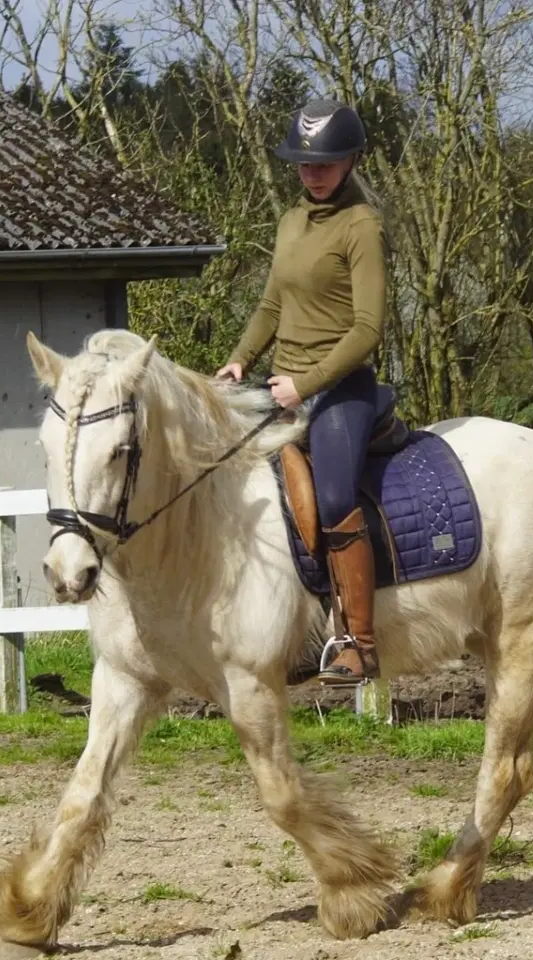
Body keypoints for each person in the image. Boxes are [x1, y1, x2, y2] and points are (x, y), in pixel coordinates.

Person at [216, 99, 389, 686]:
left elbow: (368, 328)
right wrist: (241, 359)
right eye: (303, 162)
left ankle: (357, 643)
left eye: (326, 162)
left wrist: (306, 385)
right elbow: (271, 304)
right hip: (282, 384)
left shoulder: (361, 226)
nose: (313, 172)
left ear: (352, 160)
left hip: (339, 389)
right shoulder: (292, 221)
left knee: (336, 495)